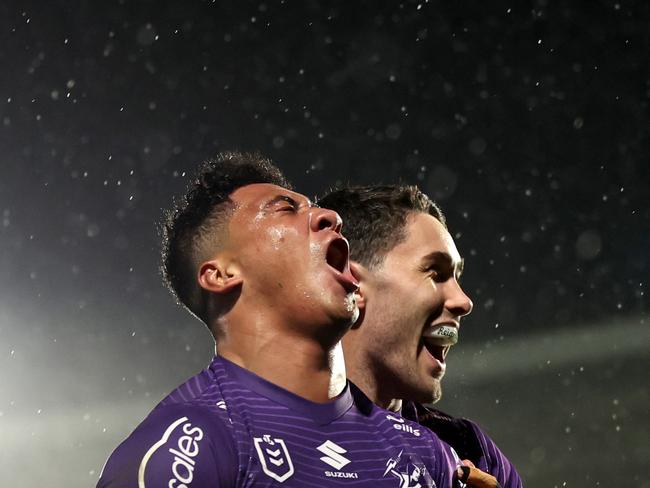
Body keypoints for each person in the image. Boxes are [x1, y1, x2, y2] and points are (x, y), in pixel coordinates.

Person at [97, 153, 464, 487]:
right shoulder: (192, 448)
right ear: (221, 274)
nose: (330, 217)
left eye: (315, 208)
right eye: (285, 209)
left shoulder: (427, 457)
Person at [319, 185, 523, 488]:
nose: (464, 301)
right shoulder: (262, 436)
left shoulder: (470, 449)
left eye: (457, 277)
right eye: (436, 272)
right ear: (353, 285)